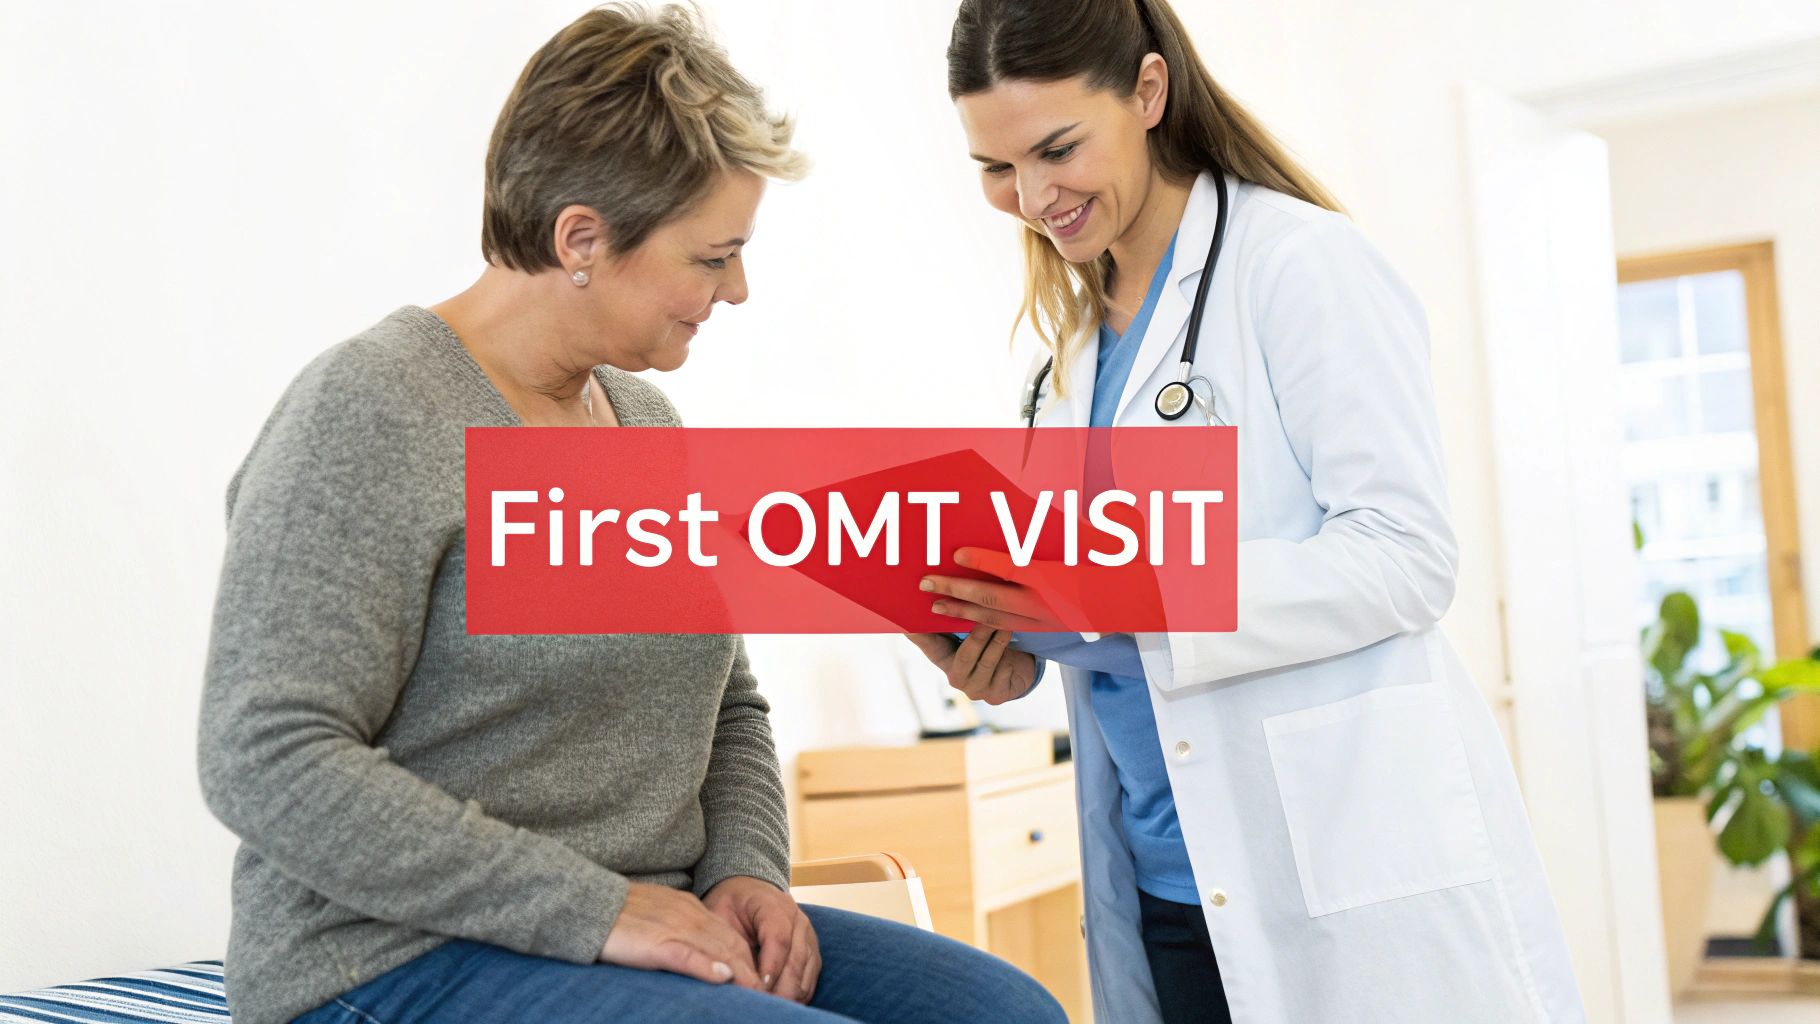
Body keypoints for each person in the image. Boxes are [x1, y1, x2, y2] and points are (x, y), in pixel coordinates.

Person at [197, 6, 1066, 1024]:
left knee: (1010, 1013)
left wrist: (747, 870)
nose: (737, 289)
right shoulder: (372, 413)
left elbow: (728, 705)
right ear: (581, 238)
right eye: (712, 256)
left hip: (643, 922)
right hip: (397, 958)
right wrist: (599, 910)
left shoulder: (643, 421)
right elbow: (265, 758)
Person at [905, 1, 1587, 1021]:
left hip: (1333, 866)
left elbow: (1405, 555)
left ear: (1147, 91)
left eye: (1056, 149)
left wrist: (1135, 589)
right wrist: (1009, 648)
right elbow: (1105, 614)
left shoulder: (1296, 264)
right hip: (1163, 878)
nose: (1033, 197)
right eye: (996, 168)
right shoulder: (1070, 353)